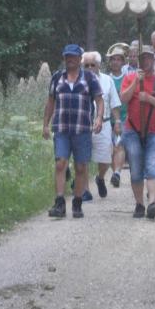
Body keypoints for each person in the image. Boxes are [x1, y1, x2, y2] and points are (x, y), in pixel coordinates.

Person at [42, 44, 104, 218]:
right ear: (64, 58)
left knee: (81, 167)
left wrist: (99, 118)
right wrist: (45, 124)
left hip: (82, 129)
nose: (70, 59)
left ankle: (77, 202)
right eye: (67, 56)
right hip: (61, 129)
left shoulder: (90, 78)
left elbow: (99, 101)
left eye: (73, 57)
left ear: (79, 59)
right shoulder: (56, 78)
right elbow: (50, 102)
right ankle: (60, 203)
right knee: (60, 163)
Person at [119, 45, 155, 219]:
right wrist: (136, 82)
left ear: (153, 60)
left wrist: (148, 98)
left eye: (149, 58)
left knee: (152, 167)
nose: (146, 61)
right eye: (143, 58)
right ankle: (139, 204)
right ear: (138, 60)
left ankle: (152, 203)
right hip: (132, 130)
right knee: (135, 170)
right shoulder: (129, 78)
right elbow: (123, 99)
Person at [82, 51, 122, 199]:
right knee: (83, 157)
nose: (90, 68)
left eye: (93, 65)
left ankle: (100, 177)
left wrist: (117, 121)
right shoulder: (77, 80)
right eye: (86, 65)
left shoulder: (107, 80)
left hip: (104, 124)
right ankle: (85, 190)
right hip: (83, 125)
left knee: (105, 158)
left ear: (99, 65)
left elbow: (114, 103)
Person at [106, 43, 129, 187]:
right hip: (107, 119)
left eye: (118, 59)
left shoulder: (127, 78)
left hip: (124, 117)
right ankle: (114, 171)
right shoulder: (105, 79)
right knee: (109, 149)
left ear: (122, 62)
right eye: (113, 59)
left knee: (119, 145)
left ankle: (117, 173)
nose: (115, 62)